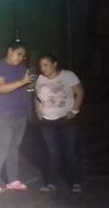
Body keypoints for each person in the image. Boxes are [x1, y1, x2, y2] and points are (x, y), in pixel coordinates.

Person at [0, 40, 33, 193]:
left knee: (14, 147)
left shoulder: (22, 68)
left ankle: (13, 180)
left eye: (23, 56)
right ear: (10, 51)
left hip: (20, 114)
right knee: (1, 147)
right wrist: (22, 82)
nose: (20, 58)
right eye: (18, 54)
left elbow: (25, 87)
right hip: (1, 114)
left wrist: (30, 84)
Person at [34, 54, 85, 193]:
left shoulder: (68, 75)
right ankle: (51, 182)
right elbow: (37, 97)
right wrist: (38, 110)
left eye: (46, 64)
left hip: (66, 120)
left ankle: (76, 181)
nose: (43, 68)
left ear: (55, 64)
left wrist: (74, 111)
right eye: (41, 65)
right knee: (52, 151)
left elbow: (79, 92)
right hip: (47, 120)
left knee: (70, 151)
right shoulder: (40, 79)